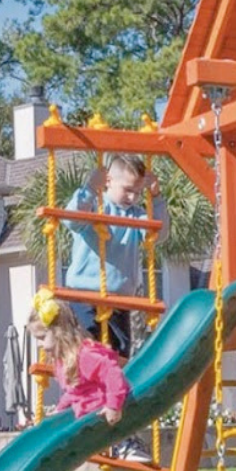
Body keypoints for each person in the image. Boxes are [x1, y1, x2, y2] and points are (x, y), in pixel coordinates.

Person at [61, 153, 162, 358]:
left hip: (118, 302)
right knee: (87, 349)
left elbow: (158, 234)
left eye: (138, 192)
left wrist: (156, 197)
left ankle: (114, 379)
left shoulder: (137, 215)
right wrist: (90, 188)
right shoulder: (95, 205)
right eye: (127, 190)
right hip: (84, 295)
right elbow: (71, 220)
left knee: (120, 355)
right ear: (108, 181)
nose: (132, 197)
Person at [27, 287, 129, 426]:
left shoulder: (84, 356)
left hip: (102, 415)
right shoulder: (64, 360)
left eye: (42, 337)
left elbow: (112, 372)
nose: (40, 344)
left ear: (59, 332)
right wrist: (60, 409)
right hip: (89, 420)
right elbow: (75, 392)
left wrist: (113, 405)